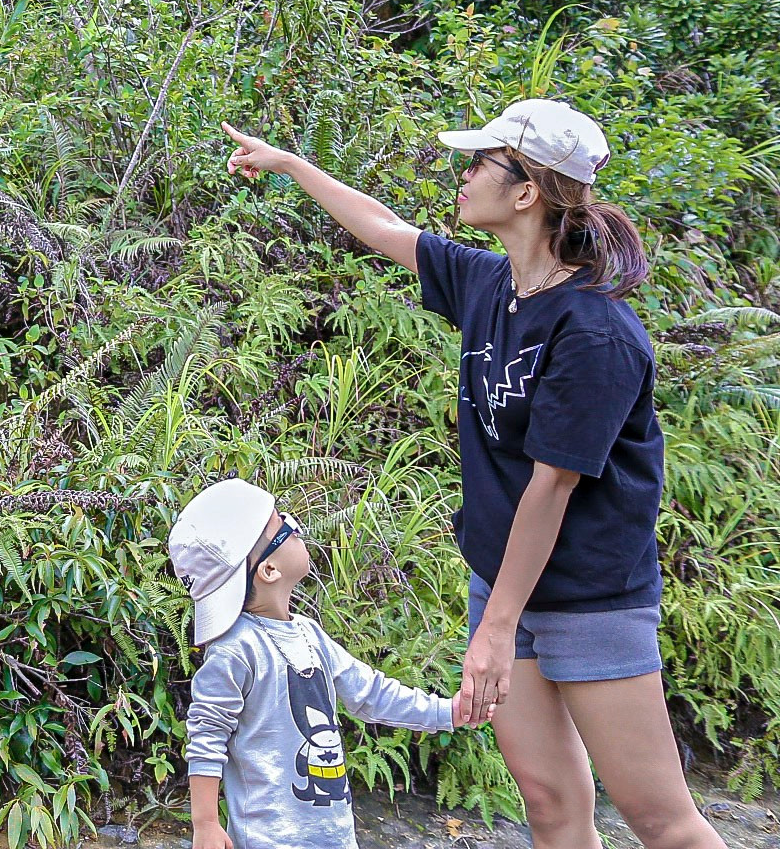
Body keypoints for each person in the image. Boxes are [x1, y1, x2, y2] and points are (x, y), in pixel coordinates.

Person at [221, 99, 725, 849]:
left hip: (591, 596)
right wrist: (292, 165)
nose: (461, 176)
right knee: (552, 805)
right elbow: (386, 228)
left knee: (660, 821)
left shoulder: (596, 333)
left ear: (525, 191)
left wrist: (493, 633)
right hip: (503, 581)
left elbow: (550, 490)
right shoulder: (491, 284)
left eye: (478, 164)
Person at [169, 478, 467, 849]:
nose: (296, 527)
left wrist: (448, 712)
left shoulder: (310, 635)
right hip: (270, 840)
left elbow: (370, 692)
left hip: (334, 836)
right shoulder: (236, 650)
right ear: (269, 570)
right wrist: (206, 824)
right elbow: (207, 735)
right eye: (284, 525)